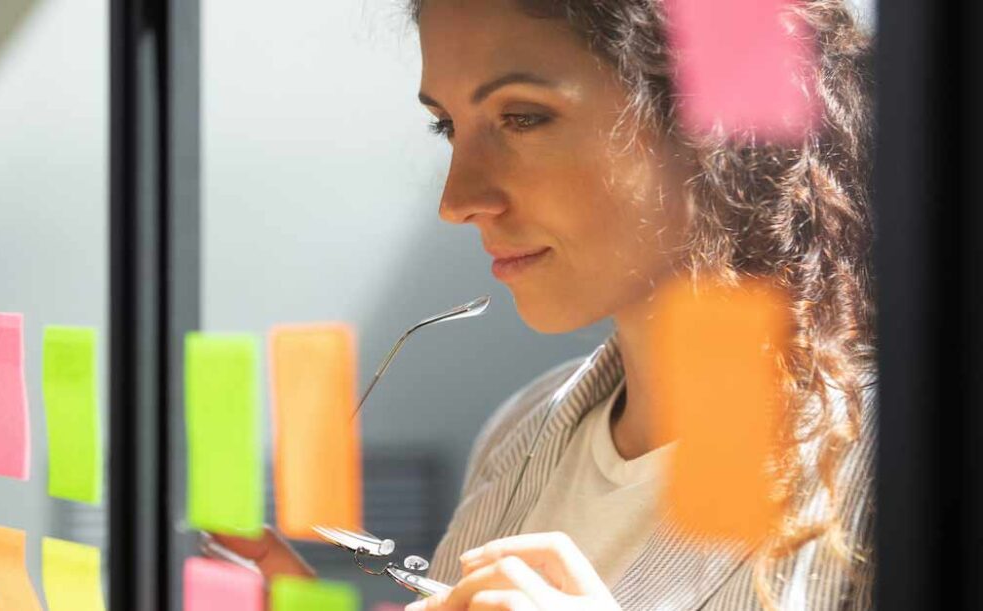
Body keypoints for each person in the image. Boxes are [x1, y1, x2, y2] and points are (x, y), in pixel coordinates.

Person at [220, 0, 876, 608]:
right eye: (448, 125)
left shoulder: (894, 458)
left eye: (522, 116)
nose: (457, 200)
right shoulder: (521, 429)